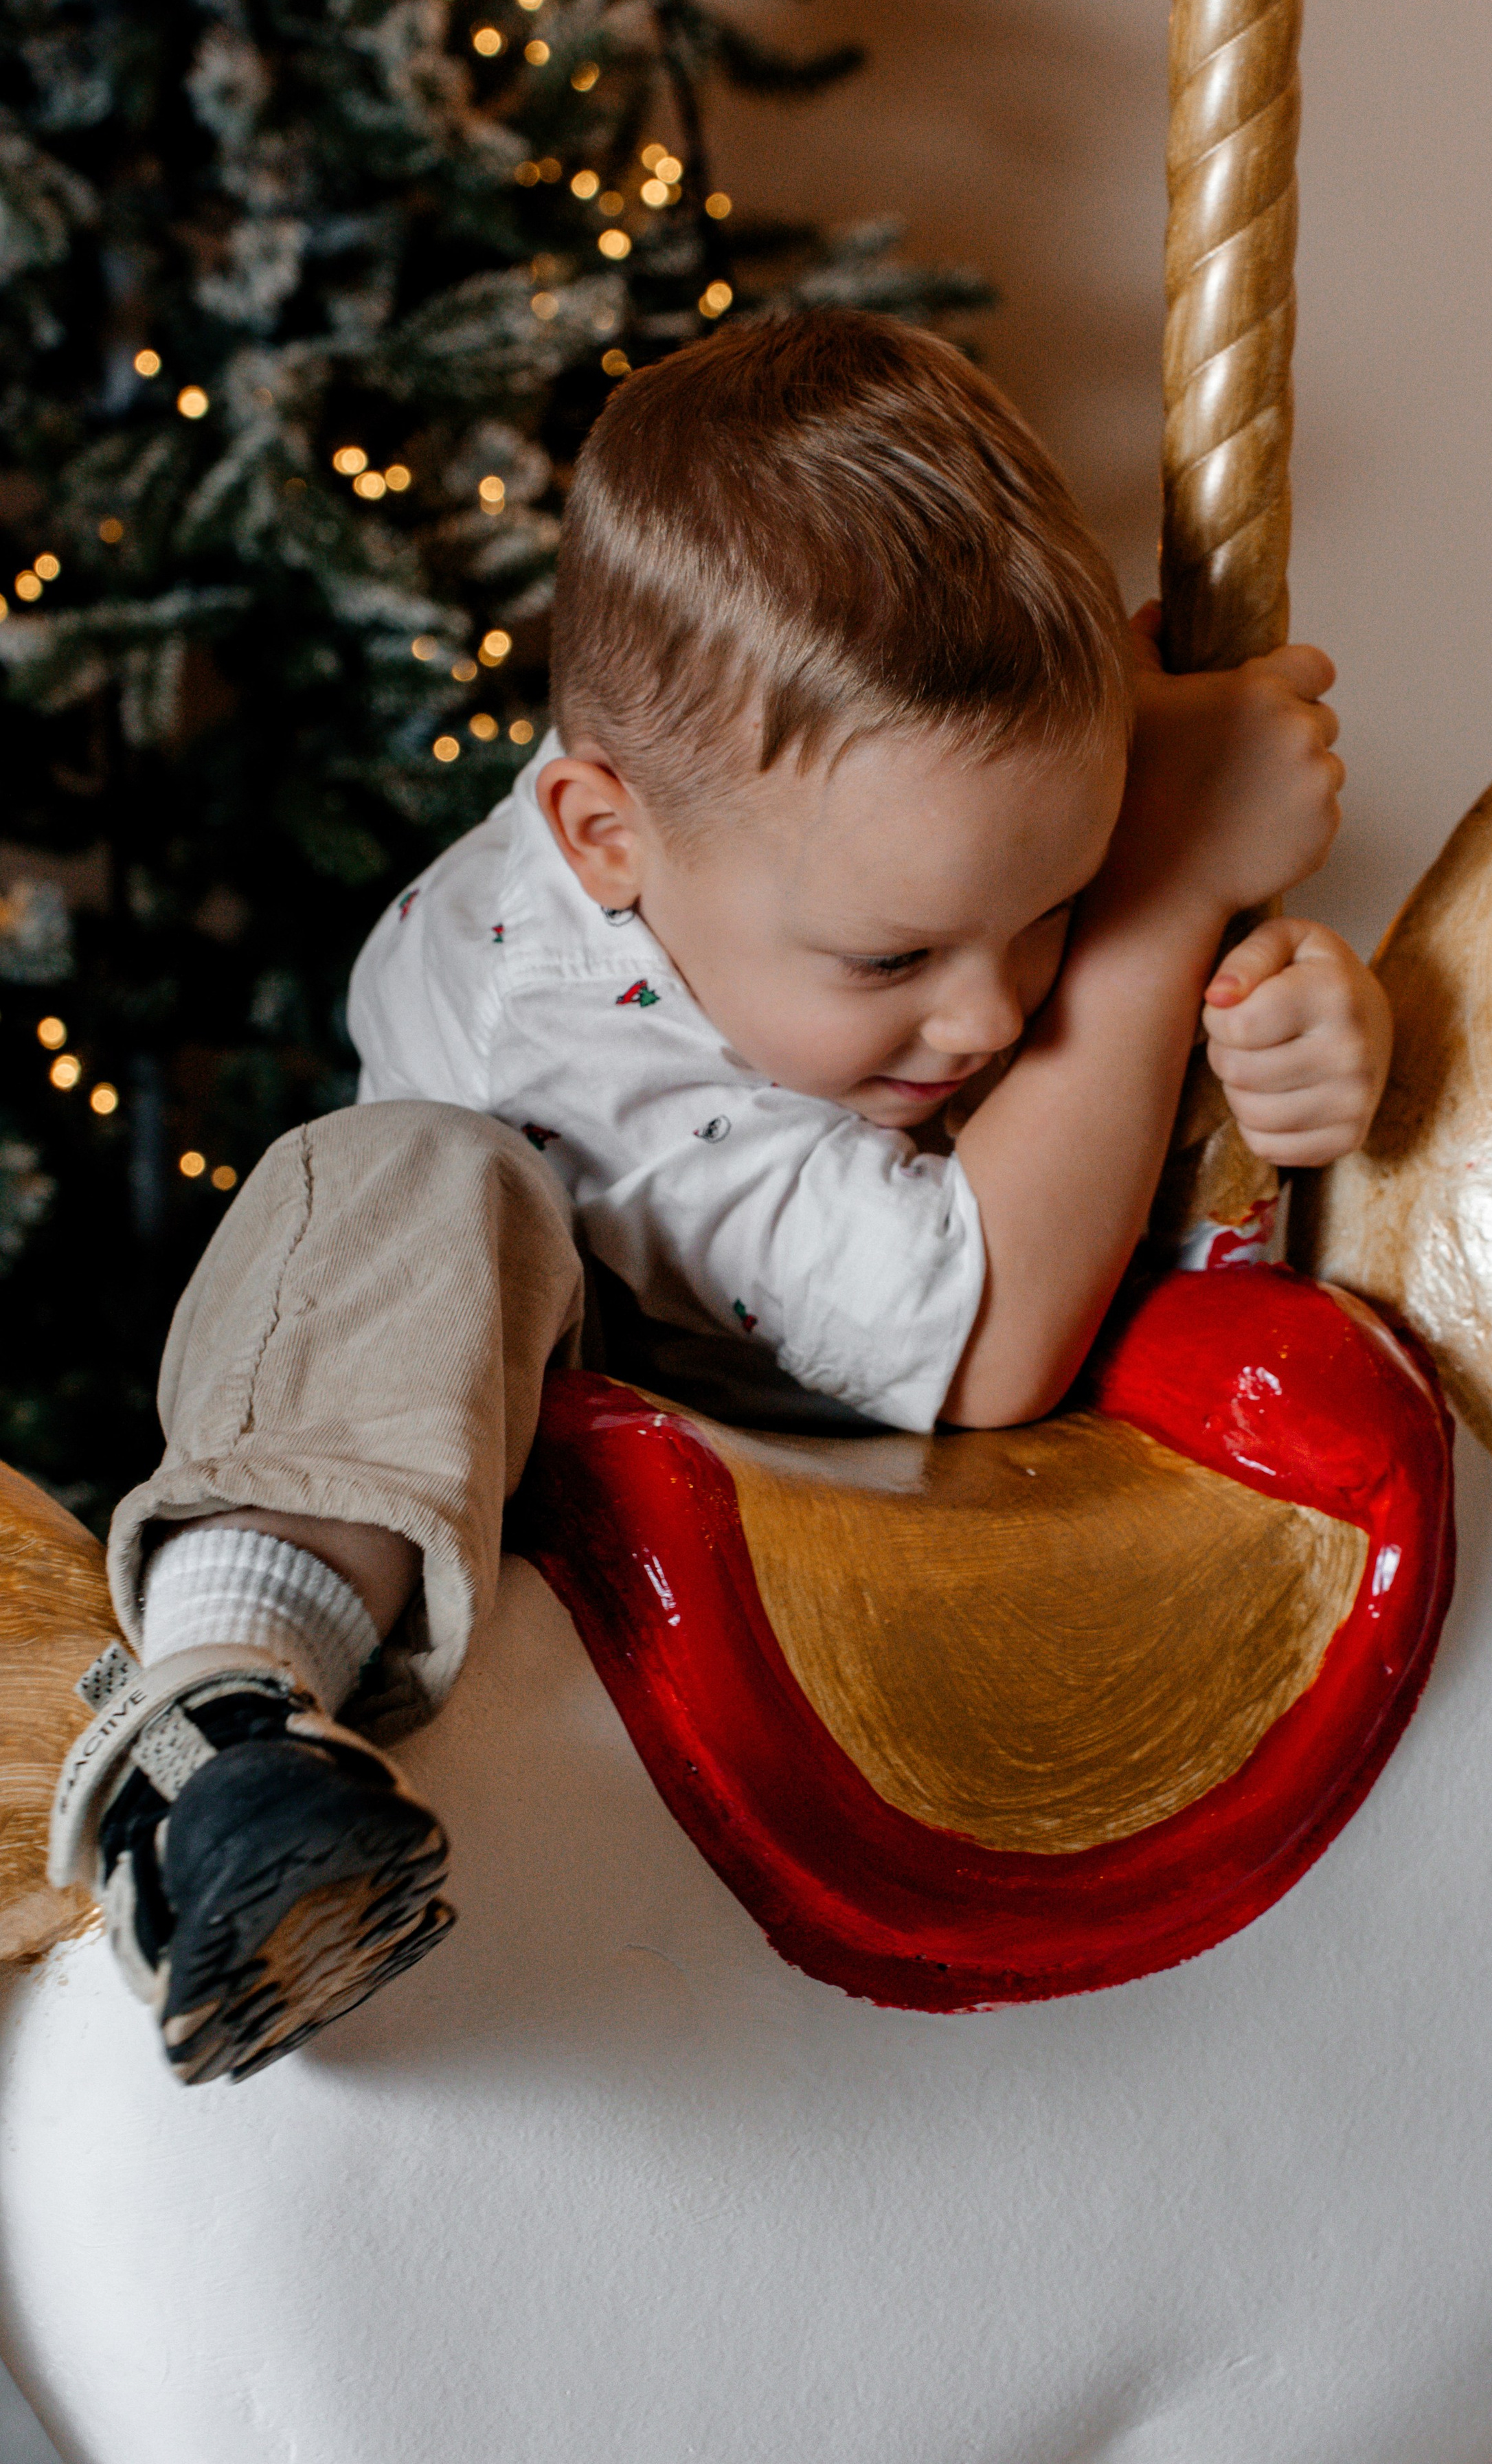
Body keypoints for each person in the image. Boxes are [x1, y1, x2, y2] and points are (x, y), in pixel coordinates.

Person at [49, 311, 1392, 2083]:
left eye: (1057, 905)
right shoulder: (561, 1023)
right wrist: (1158, 900)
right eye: (895, 957)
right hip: (507, 1452)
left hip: (870, 1485)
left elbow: (1123, 1116)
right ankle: (215, 1734)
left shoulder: (839, 871)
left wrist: (1295, 1031)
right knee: (414, 1176)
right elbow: (991, 1338)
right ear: (606, 838)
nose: (992, 1013)